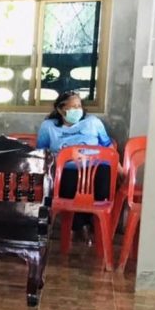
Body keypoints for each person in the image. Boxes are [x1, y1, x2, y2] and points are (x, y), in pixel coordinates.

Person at [37, 91, 113, 233]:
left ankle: (86, 224)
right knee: (69, 187)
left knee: (102, 180)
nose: (78, 110)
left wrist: (120, 169)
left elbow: (108, 146)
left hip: (95, 167)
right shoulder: (49, 126)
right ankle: (78, 226)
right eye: (73, 107)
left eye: (79, 106)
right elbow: (42, 151)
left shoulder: (93, 122)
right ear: (61, 109)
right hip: (66, 169)